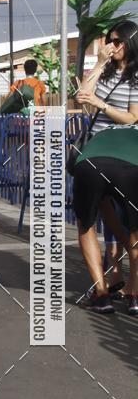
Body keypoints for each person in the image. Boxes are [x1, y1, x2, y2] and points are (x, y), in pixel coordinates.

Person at [76, 21, 138, 295]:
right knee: (96, 210)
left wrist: (100, 104)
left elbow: (132, 117)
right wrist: (100, 63)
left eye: (117, 41)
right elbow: (82, 97)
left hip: (125, 152)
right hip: (96, 151)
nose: (111, 46)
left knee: (131, 220)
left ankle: (132, 288)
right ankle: (106, 288)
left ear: (130, 43)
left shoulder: (136, 76)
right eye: (109, 40)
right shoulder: (105, 71)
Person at [72, 125, 138, 315]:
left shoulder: (100, 135)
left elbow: (104, 206)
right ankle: (135, 297)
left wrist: (125, 243)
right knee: (136, 230)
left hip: (89, 166)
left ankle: (101, 296)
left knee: (86, 226)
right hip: (130, 169)